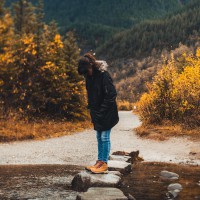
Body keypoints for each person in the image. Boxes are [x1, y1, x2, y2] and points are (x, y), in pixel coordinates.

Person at [77, 53, 119, 174]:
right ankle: (99, 161)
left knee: (105, 137)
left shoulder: (103, 75)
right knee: (98, 137)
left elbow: (111, 94)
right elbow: (91, 96)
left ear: (91, 66)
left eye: (87, 71)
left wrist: (102, 110)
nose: (86, 74)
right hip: (96, 112)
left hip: (107, 111)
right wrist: (93, 110)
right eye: (84, 73)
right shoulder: (89, 77)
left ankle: (104, 163)